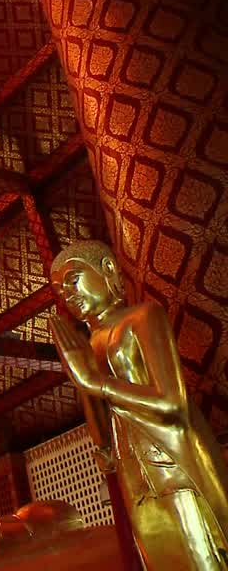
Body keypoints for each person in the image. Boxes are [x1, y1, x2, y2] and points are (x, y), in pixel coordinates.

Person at [49, 240, 228, 571]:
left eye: (73, 279)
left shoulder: (142, 317)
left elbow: (172, 403)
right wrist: (80, 375)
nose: (68, 295)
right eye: (60, 292)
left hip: (174, 466)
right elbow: (103, 445)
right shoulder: (91, 343)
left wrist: (95, 382)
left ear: (108, 270)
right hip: (137, 479)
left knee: (202, 556)